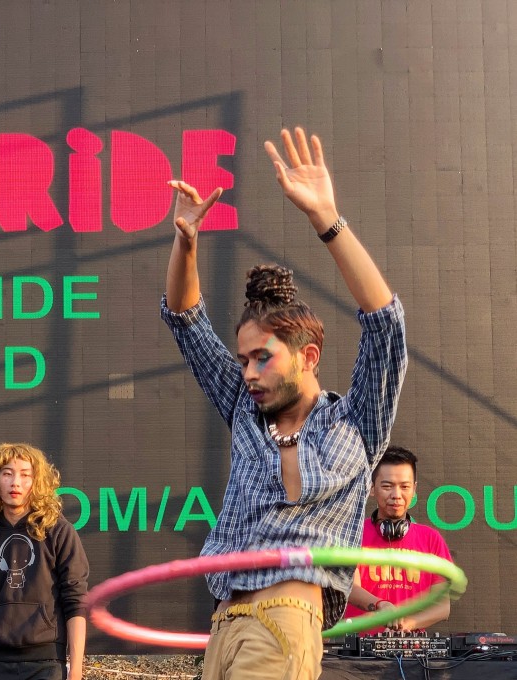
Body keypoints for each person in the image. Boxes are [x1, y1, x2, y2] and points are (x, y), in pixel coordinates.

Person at [160, 127, 407, 679]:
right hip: (223, 625)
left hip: (286, 617)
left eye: (261, 358)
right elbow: (184, 320)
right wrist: (185, 241)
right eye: (243, 359)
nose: (246, 372)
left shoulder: (354, 423)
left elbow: (386, 327)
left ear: (308, 356)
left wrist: (327, 219)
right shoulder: (245, 411)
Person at [0, 443, 88, 680]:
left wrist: (76, 671)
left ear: (37, 482)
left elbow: (75, 601)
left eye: (25, 475)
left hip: (46, 661)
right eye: (7, 473)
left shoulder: (60, 532)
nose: (15, 483)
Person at [344, 445, 452, 631]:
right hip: (358, 655)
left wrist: (407, 624)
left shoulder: (431, 539)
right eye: (387, 486)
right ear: (371, 488)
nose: (396, 495)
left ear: (414, 489)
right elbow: (350, 587)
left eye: (404, 487)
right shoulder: (352, 533)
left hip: (412, 654)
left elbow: (442, 606)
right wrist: (381, 606)